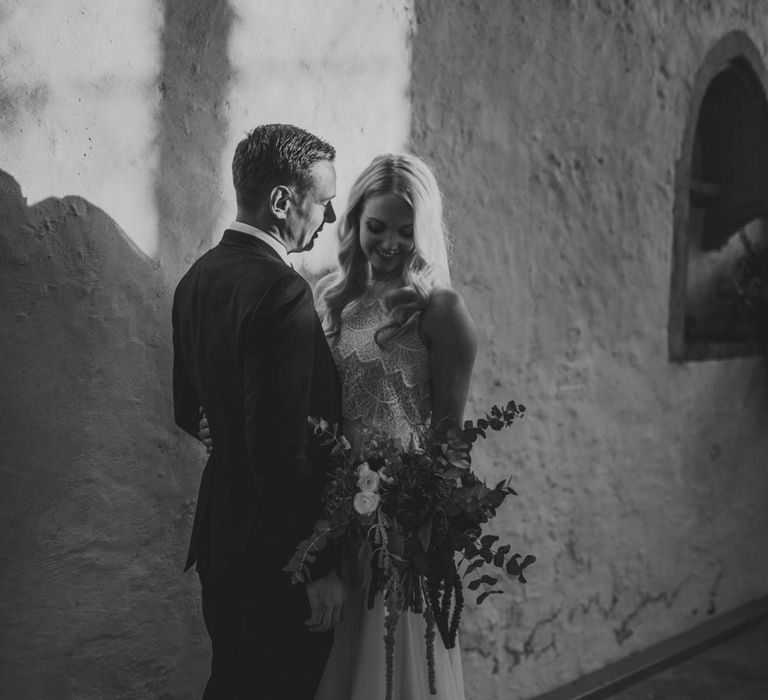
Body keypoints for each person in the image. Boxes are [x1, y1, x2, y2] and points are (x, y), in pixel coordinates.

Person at [172, 123, 346, 700]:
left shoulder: (197, 278)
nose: (328, 218)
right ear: (281, 200)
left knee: (232, 682)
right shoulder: (282, 292)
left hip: (221, 539)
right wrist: (313, 567)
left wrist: (217, 424)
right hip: (273, 556)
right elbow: (279, 448)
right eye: (322, 201)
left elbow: (185, 409)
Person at [312, 153, 478, 700]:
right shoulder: (333, 301)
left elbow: (450, 437)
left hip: (403, 520)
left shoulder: (440, 309)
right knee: (341, 659)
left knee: (394, 661)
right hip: (337, 511)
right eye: (376, 228)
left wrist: (427, 513)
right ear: (355, 221)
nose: (389, 244)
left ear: (423, 231)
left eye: (406, 232)